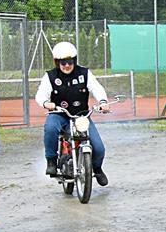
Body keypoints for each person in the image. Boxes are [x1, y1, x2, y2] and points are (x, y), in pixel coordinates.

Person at [35, 41, 110, 185]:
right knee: (50, 128)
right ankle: (51, 160)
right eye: (63, 63)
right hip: (59, 114)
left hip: (81, 116)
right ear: (57, 62)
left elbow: (97, 88)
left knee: (99, 147)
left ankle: (97, 168)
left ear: (74, 60)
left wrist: (102, 102)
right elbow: (41, 94)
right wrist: (46, 103)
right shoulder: (50, 76)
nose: (67, 65)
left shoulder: (84, 73)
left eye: (69, 62)